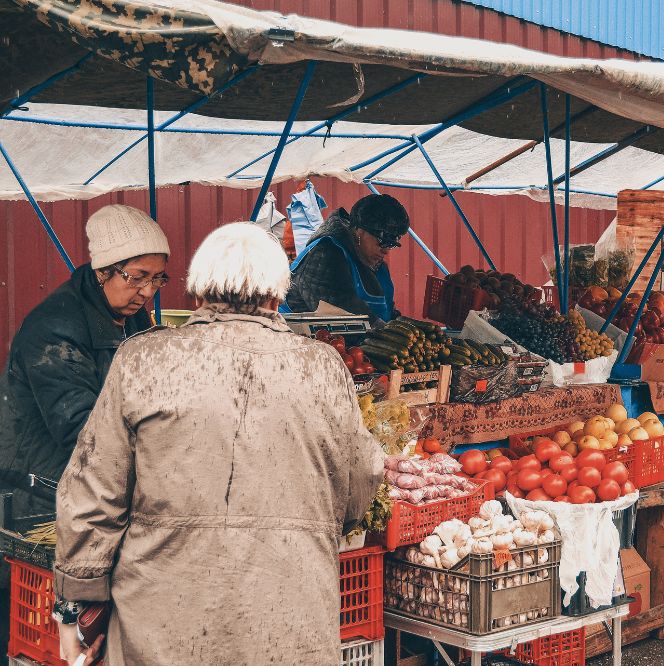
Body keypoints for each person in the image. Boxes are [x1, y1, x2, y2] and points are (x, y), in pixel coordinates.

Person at [52, 223, 384, 666]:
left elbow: (92, 493)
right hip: (288, 618)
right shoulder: (322, 367)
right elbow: (361, 481)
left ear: (198, 293)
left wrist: (75, 607)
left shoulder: (143, 359)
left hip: (162, 625)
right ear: (276, 295)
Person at [0, 204, 170, 512]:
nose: (147, 291)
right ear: (103, 271)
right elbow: (82, 428)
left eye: (157, 278)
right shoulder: (54, 330)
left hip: (95, 482)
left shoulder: (131, 316)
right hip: (40, 490)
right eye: (137, 277)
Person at [285, 193, 409, 322]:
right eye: (382, 241)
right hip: (299, 338)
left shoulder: (377, 264)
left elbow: (386, 312)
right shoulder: (325, 254)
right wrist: (386, 331)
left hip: (364, 340)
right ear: (359, 231)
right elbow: (343, 314)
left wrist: (403, 324)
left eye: (391, 245)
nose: (385, 250)